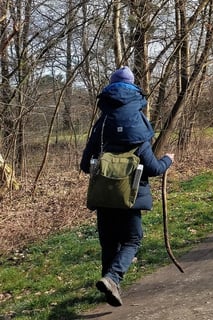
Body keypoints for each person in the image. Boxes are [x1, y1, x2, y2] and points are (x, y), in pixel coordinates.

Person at [80, 66, 174, 308]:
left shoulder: (101, 126)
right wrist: (168, 160)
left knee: (109, 243)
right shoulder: (139, 127)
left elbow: (84, 165)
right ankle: (112, 279)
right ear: (134, 90)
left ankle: (109, 286)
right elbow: (153, 168)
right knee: (133, 239)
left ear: (110, 90)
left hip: (103, 196)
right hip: (131, 196)